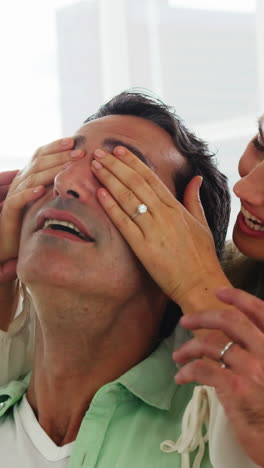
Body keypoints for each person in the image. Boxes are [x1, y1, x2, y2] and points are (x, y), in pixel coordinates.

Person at [0, 90, 231, 468]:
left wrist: (199, 284)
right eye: (60, 159)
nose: (64, 181)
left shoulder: (216, 440)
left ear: (180, 252)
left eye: (121, 177)